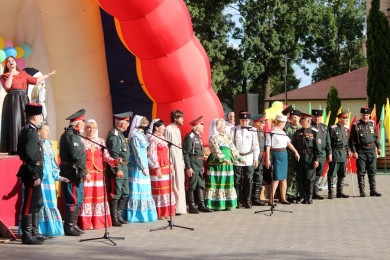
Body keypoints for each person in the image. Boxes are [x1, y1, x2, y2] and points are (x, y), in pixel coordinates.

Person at [0, 56, 55, 154]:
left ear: (16, 63)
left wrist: (48, 75)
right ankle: (14, 148)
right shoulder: (5, 76)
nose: (11, 62)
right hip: (12, 100)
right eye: (8, 61)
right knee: (15, 122)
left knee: (26, 121)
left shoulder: (23, 74)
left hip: (23, 99)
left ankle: (26, 145)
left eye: (13, 61)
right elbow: (7, 86)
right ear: (7, 65)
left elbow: (35, 80)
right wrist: (11, 74)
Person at [78, 119, 117, 230]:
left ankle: (99, 221)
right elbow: (80, 158)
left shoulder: (100, 141)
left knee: (98, 197)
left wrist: (114, 161)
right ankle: (86, 222)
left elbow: (106, 156)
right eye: (89, 127)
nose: (91, 130)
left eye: (94, 128)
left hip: (99, 173)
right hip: (88, 173)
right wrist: (84, 171)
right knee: (87, 196)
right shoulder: (81, 141)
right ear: (85, 129)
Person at [17, 103, 45, 244]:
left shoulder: (30, 130)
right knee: (29, 203)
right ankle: (27, 235)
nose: (41, 118)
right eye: (40, 116)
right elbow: (29, 154)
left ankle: (34, 231)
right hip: (31, 170)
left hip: (35, 169)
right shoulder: (30, 131)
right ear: (34, 117)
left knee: (36, 202)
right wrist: (34, 174)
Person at [59, 109, 88, 236]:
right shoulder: (71, 136)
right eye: (83, 122)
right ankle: (69, 226)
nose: (84, 124)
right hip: (72, 172)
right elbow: (77, 156)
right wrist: (83, 171)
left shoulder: (74, 135)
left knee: (79, 198)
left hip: (75, 172)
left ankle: (73, 225)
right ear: (77, 123)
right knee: (73, 199)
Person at [37, 122, 69, 237]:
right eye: (46, 130)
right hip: (40, 179)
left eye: (48, 130)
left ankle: (51, 228)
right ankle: (40, 229)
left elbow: (53, 162)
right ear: (39, 131)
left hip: (49, 179)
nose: (48, 132)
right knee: (41, 203)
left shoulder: (49, 144)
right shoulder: (36, 144)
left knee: (51, 203)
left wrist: (58, 176)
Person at [205, 118, 244, 211]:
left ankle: (227, 202)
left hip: (228, 162)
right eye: (221, 125)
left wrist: (239, 157)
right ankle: (216, 203)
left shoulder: (227, 135)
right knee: (218, 181)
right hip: (218, 163)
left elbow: (232, 147)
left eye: (224, 125)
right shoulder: (213, 137)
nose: (223, 127)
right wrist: (222, 158)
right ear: (216, 127)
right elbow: (215, 149)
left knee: (227, 182)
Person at [126, 115, 158, 223]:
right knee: (138, 188)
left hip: (144, 164)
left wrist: (149, 164)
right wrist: (142, 167)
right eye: (144, 124)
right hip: (137, 166)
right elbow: (136, 153)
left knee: (145, 189)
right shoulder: (134, 136)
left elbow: (145, 152)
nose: (146, 126)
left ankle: (146, 214)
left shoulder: (142, 135)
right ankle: (136, 215)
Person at [265, 114, 300, 206]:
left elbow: (288, 143)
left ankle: (283, 198)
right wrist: (268, 158)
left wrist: (295, 151)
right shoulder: (272, 132)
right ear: (281, 122)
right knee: (276, 178)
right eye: (284, 122)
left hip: (284, 154)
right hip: (276, 154)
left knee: (284, 178)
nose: (285, 124)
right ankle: (271, 199)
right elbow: (268, 146)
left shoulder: (283, 132)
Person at [105, 112, 132, 226]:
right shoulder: (114, 135)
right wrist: (118, 169)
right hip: (118, 167)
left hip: (124, 166)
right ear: (122, 123)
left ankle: (119, 215)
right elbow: (114, 154)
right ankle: (114, 217)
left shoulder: (120, 134)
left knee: (125, 193)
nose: (128, 124)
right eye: (127, 122)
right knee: (116, 193)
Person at [183, 116, 213, 213]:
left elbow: (199, 153)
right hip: (192, 163)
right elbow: (186, 153)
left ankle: (201, 205)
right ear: (196, 126)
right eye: (202, 125)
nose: (203, 127)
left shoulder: (198, 137)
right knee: (192, 185)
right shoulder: (189, 137)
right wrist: (188, 167)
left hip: (199, 164)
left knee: (200, 184)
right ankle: (191, 206)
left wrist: (202, 165)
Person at [349, 107, 381, 197]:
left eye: (367, 115)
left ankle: (373, 190)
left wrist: (379, 147)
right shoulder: (356, 125)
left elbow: (375, 137)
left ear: (369, 115)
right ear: (361, 115)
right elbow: (352, 140)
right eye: (363, 115)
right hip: (361, 151)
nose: (365, 116)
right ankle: (362, 191)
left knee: (372, 171)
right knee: (361, 171)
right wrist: (354, 151)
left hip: (371, 150)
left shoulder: (372, 124)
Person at [148, 119, 176, 219]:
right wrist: (156, 167)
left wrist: (171, 163)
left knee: (167, 189)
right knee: (160, 189)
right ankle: (160, 213)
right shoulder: (152, 138)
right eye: (162, 126)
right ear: (156, 127)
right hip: (158, 167)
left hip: (166, 166)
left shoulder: (163, 138)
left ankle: (167, 211)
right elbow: (152, 154)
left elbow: (167, 153)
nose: (164, 128)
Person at [231, 111, 259, 208]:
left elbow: (256, 146)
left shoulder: (253, 130)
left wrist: (256, 158)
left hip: (249, 158)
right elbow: (231, 144)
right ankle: (238, 201)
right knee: (237, 180)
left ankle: (247, 201)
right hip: (237, 157)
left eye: (246, 120)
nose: (245, 122)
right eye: (243, 120)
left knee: (249, 180)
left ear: (249, 120)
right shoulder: (233, 130)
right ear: (239, 120)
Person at [291, 113, 320, 204]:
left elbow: (317, 148)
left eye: (302, 120)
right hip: (300, 157)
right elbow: (294, 145)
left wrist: (316, 159)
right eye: (301, 120)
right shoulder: (298, 132)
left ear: (308, 121)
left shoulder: (314, 132)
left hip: (310, 157)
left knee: (310, 178)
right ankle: (302, 196)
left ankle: (309, 197)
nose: (301, 122)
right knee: (300, 178)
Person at [164, 110, 187, 215]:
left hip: (178, 155)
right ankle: (176, 208)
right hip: (172, 156)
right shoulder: (168, 129)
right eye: (181, 118)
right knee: (175, 182)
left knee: (180, 182)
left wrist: (182, 160)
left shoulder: (177, 129)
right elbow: (167, 147)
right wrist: (170, 162)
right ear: (175, 118)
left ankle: (181, 207)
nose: (183, 120)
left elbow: (179, 146)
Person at [328, 111, 351, 199]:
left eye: (346, 118)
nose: (346, 120)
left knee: (342, 174)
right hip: (335, 153)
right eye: (344, 118)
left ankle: (339, 192)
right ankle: (331, 192)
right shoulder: (333, 128)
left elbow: (347, 142)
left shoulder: (346, 129)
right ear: (340, 119)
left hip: (343, 153)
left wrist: (349, 150)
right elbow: (329, 142)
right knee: (332, 174)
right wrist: (329, 153)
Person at [311, 109, 332, 200]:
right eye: (315, 117)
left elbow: (328, 142)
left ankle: (315, 192)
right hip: (312, 153)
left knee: (319, 173)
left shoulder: (324, 127)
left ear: (321, 117)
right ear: (312, 117)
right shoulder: (309, 126)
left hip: (322, 153)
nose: (317, 118)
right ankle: (310, 192)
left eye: (318, 117)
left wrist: (329, 153)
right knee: (311, 172)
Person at [285, 110, 302, 203]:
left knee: (299, 175)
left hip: (301, 155)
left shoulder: (303, 128)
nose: (294, 118)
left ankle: (299, 193)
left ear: (299, 117)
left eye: (295, 117)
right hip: (290, 155)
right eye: (292, 117)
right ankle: (290, 194)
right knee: (290, 174)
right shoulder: (288, 129)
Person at [250, 114, 267, 206]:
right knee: (250, 177)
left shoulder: (261, 132)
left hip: (260, 157)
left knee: (259, 178)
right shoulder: (251, 131)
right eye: (262, 122)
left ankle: (255, 198)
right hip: (252, 157)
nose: (264, 124)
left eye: (264, 122)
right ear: (256, 122)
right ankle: (249, 198)